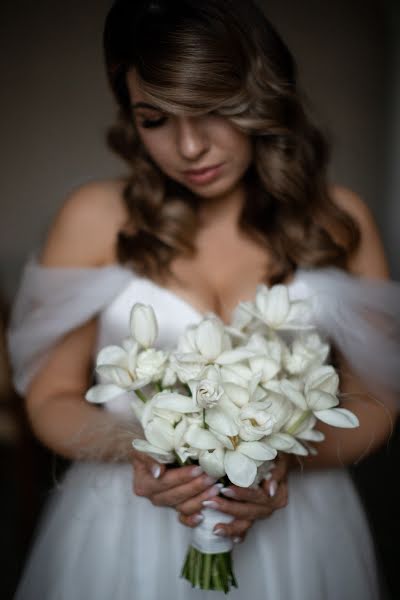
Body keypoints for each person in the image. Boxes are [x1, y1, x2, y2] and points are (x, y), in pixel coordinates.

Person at [7, 1, 400, 598]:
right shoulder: (92, 217)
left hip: (298, 523)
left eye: (213, 110)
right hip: (123, 524)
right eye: (154, 118)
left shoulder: (340, 221)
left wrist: (286, 459)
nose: (189, 147)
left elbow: (377, 401)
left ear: (261, 94)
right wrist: (141, 450)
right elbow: (51, 397)